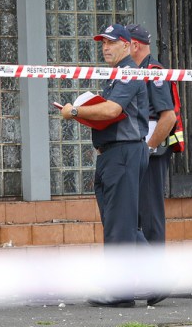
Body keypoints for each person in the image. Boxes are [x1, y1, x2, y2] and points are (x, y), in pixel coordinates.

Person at [60, 23, 149, 308]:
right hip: (113, 155)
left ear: (127, 45)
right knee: (118, 222)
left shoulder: (128, 72)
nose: (105, 47)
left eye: (111, 42)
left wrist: (75, 111)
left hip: (124, 153)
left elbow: (112, 110)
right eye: (103, 43)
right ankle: (159, 277)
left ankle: (120, 292)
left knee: (120, 226)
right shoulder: (114, 75)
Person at [126, 23, 176, 307]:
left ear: (134, 45)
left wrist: (146, 149)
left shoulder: (153, 72)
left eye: (122, 43)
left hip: (149, 154)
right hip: (137, 152)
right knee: (135, 217)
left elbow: (167, 118)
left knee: (150, 216)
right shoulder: (134, 72)